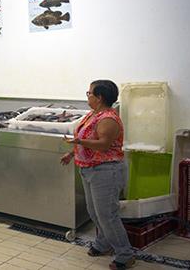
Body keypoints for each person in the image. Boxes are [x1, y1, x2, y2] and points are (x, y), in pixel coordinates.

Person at [60, 80, 135, 270]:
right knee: (94, 212)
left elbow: (103, 144)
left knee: (107, 215)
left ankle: (125, 254)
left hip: (106, 171)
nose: (88, 96)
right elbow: (87, 139)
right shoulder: (93, 114)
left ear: (100, 97)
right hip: (88, 169)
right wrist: (72, 153)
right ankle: (103, 244)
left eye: (90, 93)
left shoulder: (108, 118)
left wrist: (79, 141)